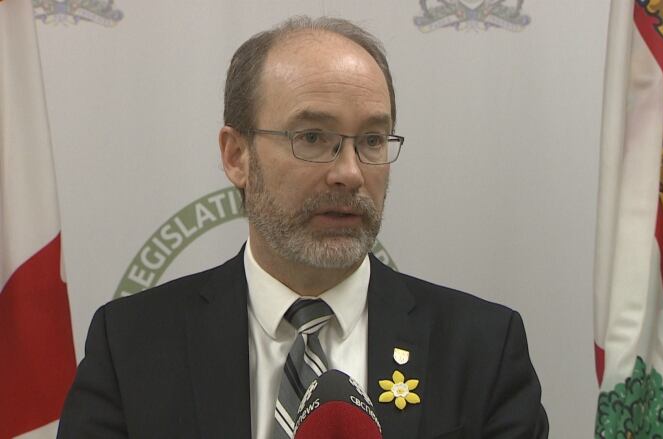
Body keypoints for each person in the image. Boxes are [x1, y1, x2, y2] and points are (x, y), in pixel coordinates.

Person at [58, 16, 548, 439]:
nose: (350, 173)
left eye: (372, 140)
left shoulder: (481, 346)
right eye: (313, 137)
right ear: (236, 155)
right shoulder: (132, 345)